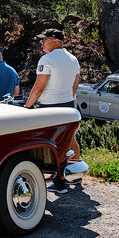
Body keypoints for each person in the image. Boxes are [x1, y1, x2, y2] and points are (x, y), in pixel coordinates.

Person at [22, 28, 82, 191]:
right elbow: (75, 85)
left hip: (49, 108)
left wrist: (27, 107)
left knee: (50, 145)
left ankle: (59, 182)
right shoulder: (73, 59)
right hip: (68, 106)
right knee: (68, 141)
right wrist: (66, 99)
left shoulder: (46, 59)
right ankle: (75, 176)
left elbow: (39, 86)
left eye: (44, 39)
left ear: (55, 41)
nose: (41, 42)